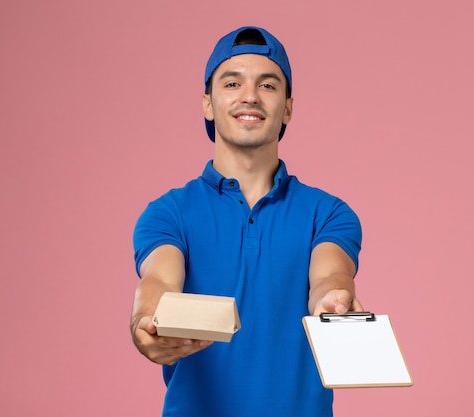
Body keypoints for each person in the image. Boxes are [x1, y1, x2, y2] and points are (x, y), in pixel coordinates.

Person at [131, 26, 363, 417]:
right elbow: (157, 282)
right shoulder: (168, 213)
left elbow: (330, 276)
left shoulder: (329, 213)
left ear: (288, 107)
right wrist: (146, 321)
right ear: (207, 103)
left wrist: (333, 301)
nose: (250, 96)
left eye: (268, 85)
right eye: (232, 82)